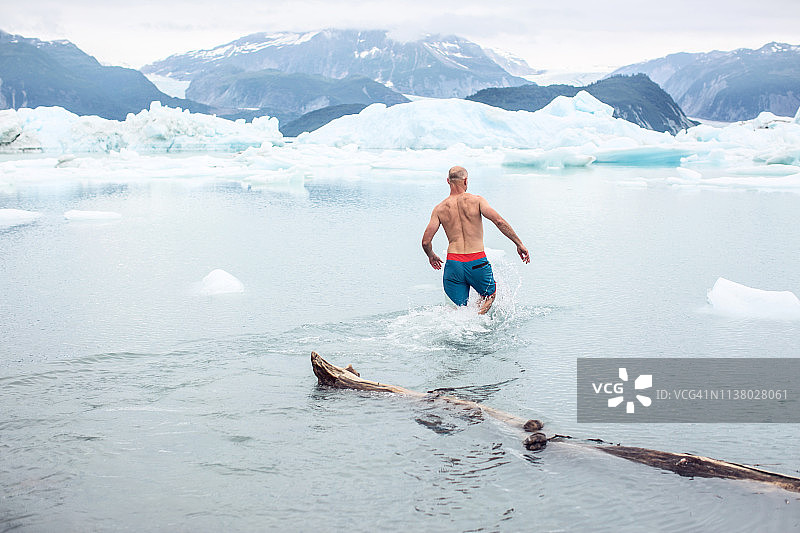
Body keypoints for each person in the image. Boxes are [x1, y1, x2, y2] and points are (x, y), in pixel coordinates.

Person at [421, 166, 530, 314]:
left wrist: (431, 255)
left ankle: (466, 325)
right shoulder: (477, 201)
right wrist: (519, 243)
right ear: (465, 180)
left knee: (457, 312)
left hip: (453, 264)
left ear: (448, 181)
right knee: (489, 296)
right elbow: (499, 221)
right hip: (476, 262)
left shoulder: (439, 209)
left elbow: (426, 242)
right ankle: (477, 320)